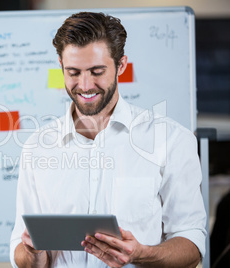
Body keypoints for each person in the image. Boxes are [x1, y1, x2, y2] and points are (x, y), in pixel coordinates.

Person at [10, 12, 206, 268]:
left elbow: (192, 244)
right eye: (73, 72)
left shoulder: (171, 140)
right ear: (61, 66)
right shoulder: (37, 146)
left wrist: (140, 254)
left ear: (121, 65)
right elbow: (23, 253)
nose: (85, 85)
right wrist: (32, 254)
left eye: (97, 71)